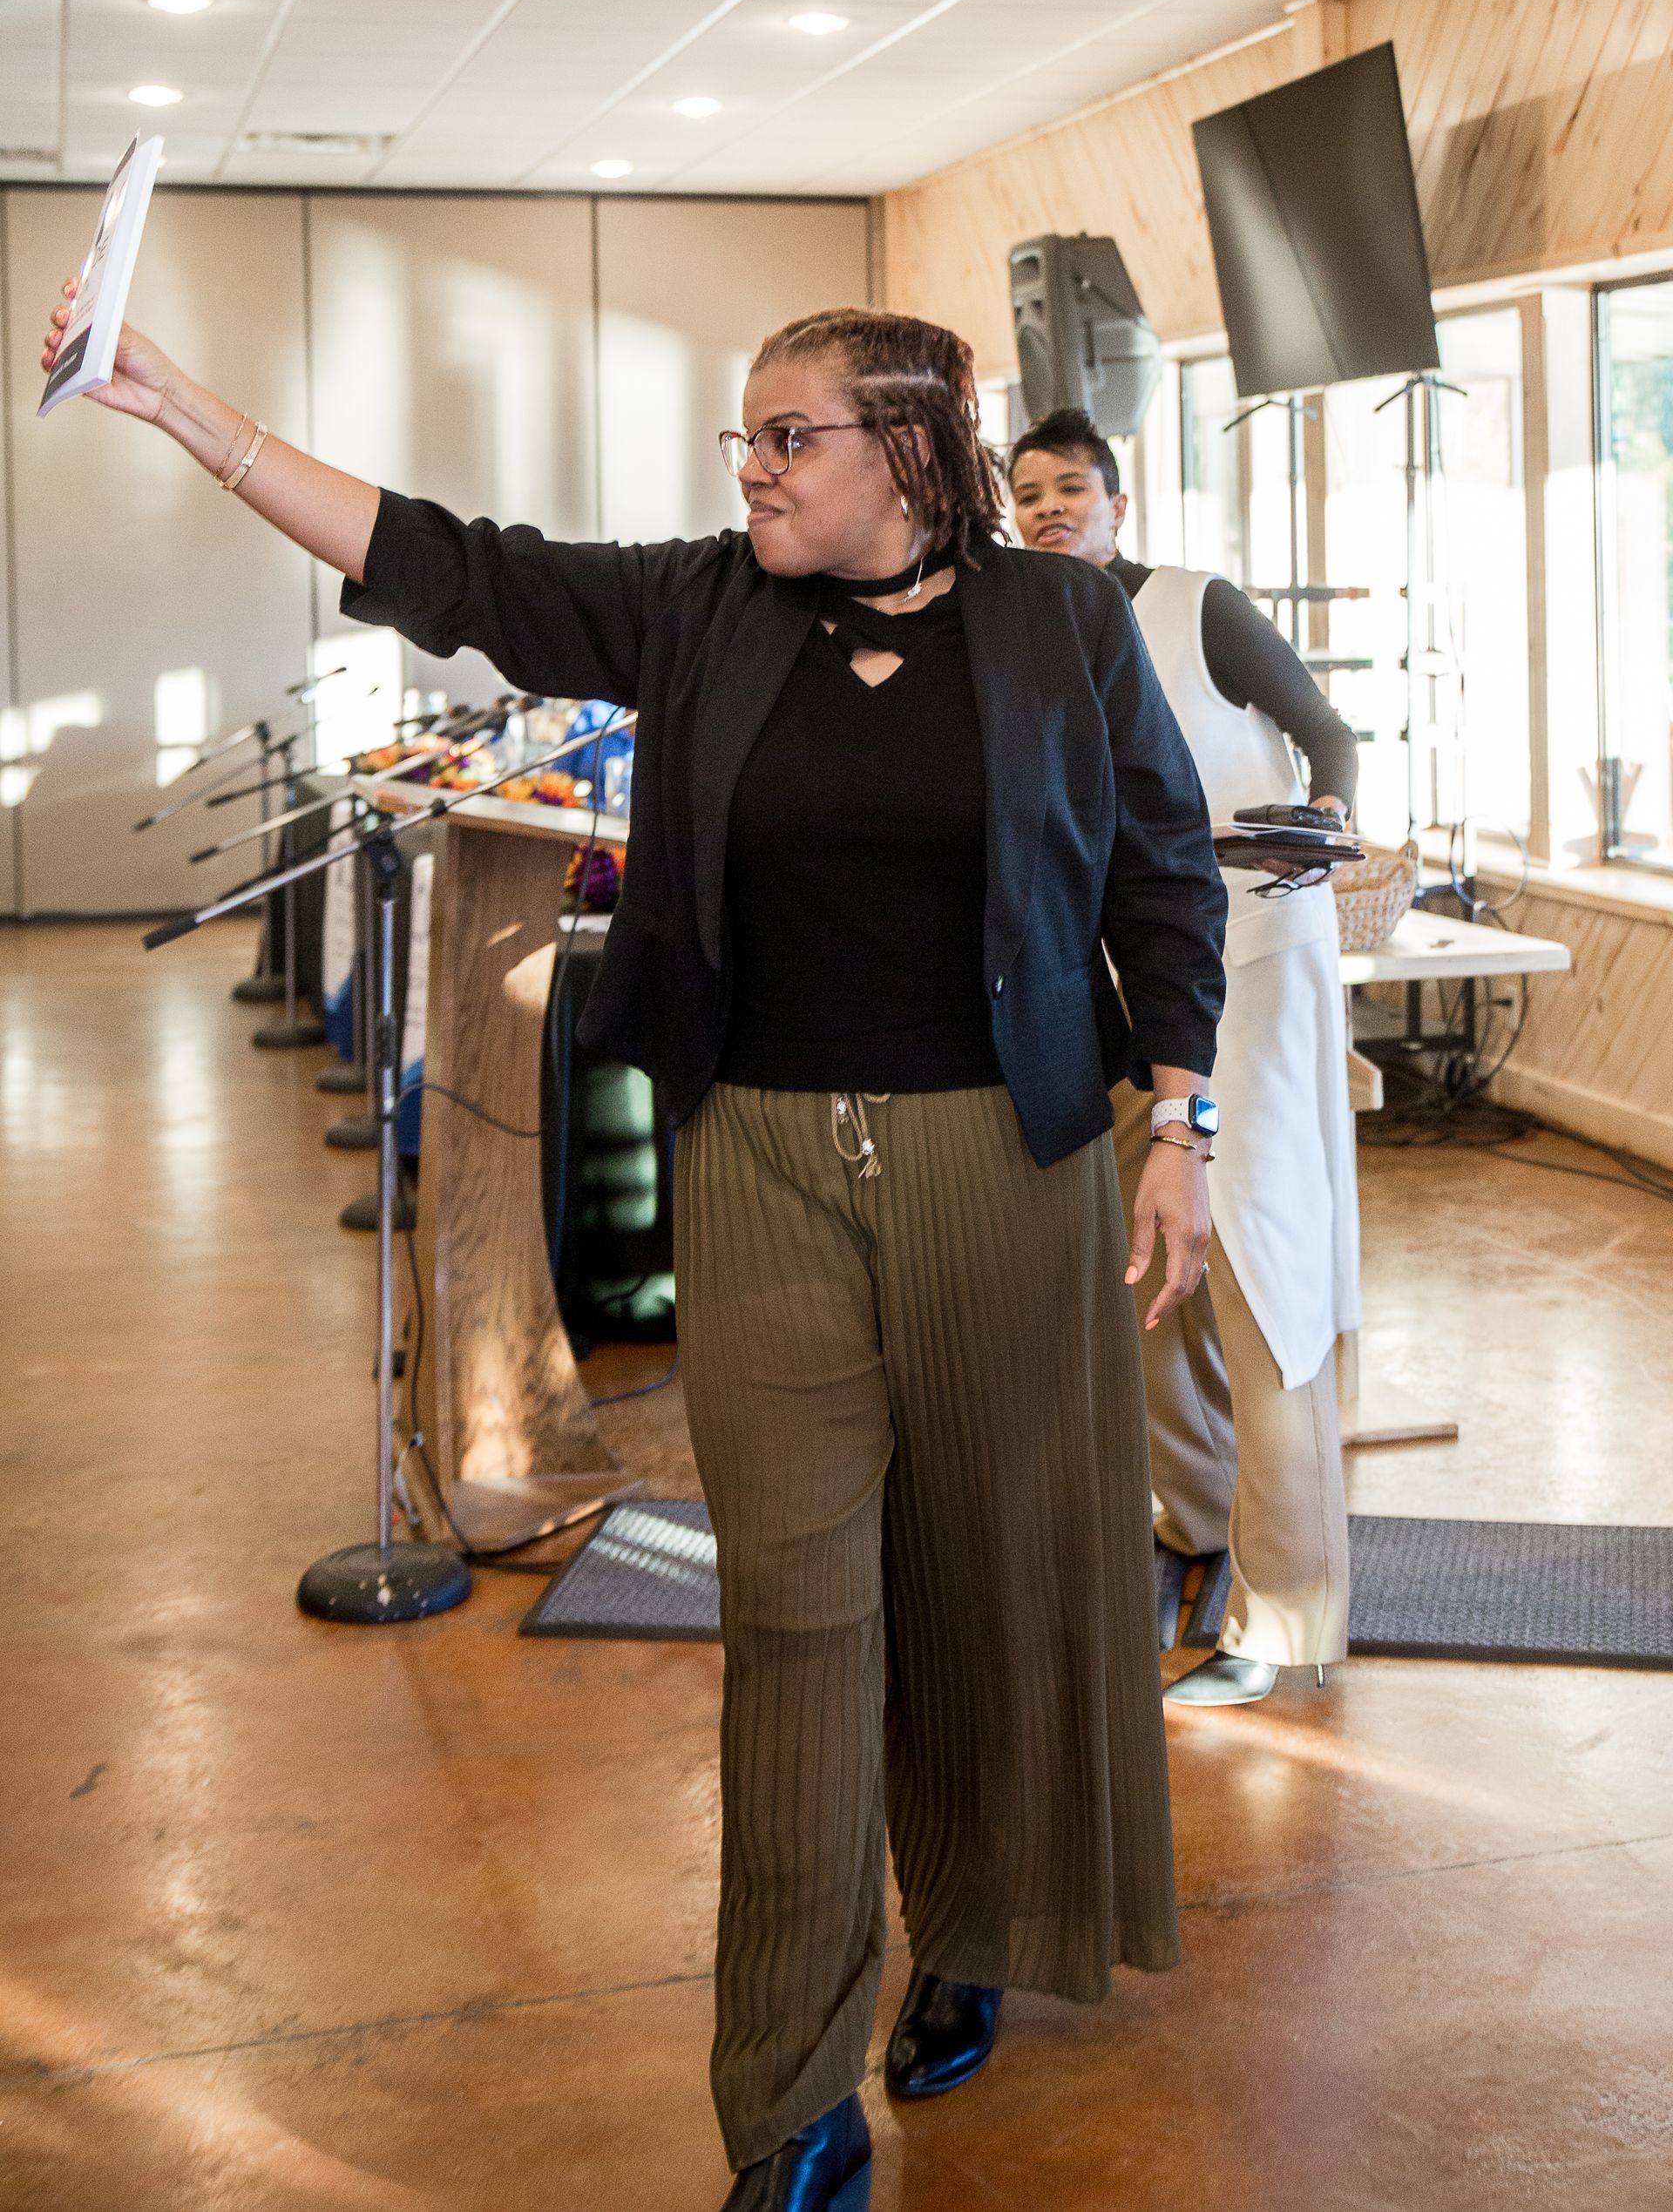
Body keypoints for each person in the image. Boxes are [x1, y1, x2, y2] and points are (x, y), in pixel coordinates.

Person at [45, 293, 1229, 2210]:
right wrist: (185, 404)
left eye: (789, 438)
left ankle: (975, 1924)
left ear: (911, 455)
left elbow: (1165, 870)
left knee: (994, 1584)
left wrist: (1176, 1116)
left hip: (1004, 1166)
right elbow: (447, 563)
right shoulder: (701, 604)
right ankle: (785, 2095)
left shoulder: (1060, 623)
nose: (750, 470)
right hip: (758, 1159)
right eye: (741, 442)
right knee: (795, 1621)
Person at [1010, 406, 1358, 1708]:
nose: (1052, 509)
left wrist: (1323, 816)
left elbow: (1331, 734)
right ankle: (1195, 1521)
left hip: (1254, 960)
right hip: (1119, 984)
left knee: (1261, 1273)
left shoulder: (1195, 607)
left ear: (1119, 506)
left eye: (1074, 490)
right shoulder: (1024, 628)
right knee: (1142, 1262)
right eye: (1030, 494)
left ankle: (1289, 1611)